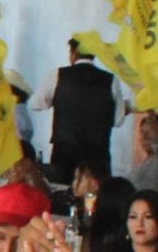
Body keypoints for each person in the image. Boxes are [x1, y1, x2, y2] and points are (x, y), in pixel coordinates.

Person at [32, 39, 127, 178]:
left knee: (61, 192)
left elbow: (35, 104)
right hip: (97, 155)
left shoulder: (58, 75)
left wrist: (56, 101)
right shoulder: (111, 80)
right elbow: (118, 120)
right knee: (94, 196)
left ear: (73, 53)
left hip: (64, 153)